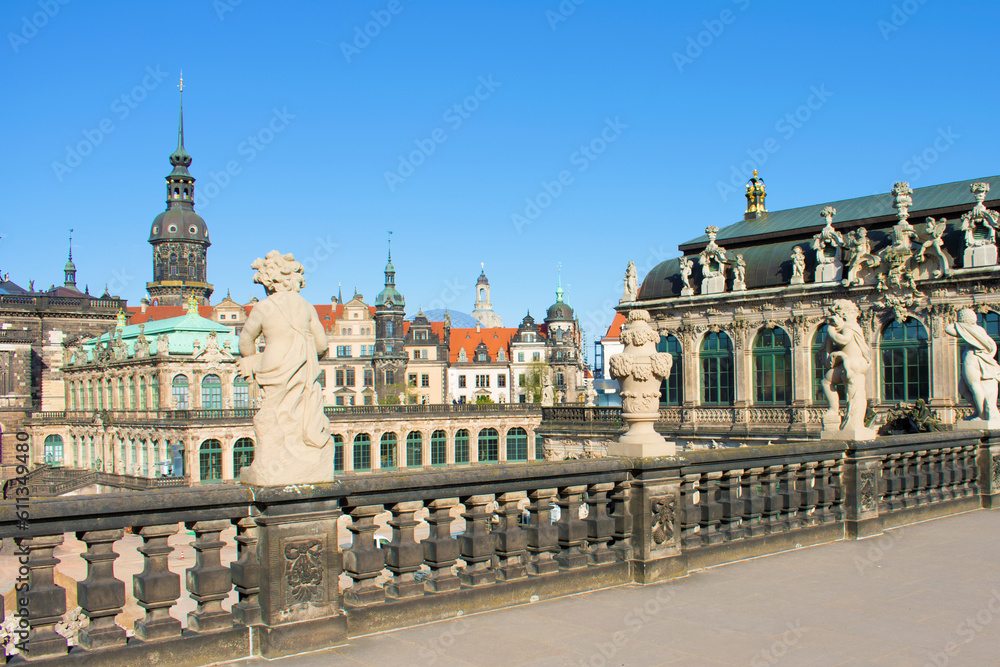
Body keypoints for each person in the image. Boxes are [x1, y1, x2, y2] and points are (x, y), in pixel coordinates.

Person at [238, 250, 334, 485]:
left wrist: (251, 359)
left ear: (269, 281)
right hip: (303, 363)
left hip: (273, 361)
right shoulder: (307, 307)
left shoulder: (263, 307)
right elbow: (322, 344)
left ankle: (271, 465)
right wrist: (306, 350)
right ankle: (306, 458)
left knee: (272, 414)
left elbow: (245, 341)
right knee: (302, 412)